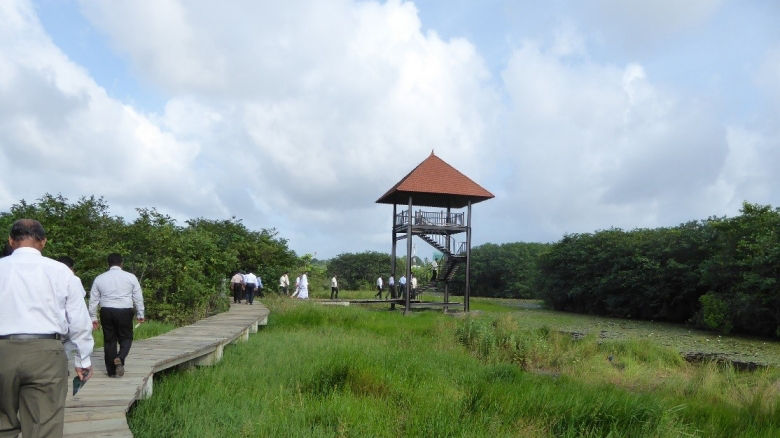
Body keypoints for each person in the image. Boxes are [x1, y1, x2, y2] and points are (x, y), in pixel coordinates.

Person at [0, 219, 94, 437]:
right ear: (43, 242)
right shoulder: (61, 272)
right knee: (44, 426)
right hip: (46, 353)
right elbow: (79, 321)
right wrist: (83, 359)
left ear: (11, 241)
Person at [89, 253, 145, 378]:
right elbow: (138, 297)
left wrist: (93, 317)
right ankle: (120, 357)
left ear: (108, 263)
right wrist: (140, 313)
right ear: (122, 263)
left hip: (106, 310)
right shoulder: (130, 277)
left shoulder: (100, 278)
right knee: (126, 338)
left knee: (109, 340)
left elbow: (93, 300)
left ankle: (111, 371)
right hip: (125, 310)